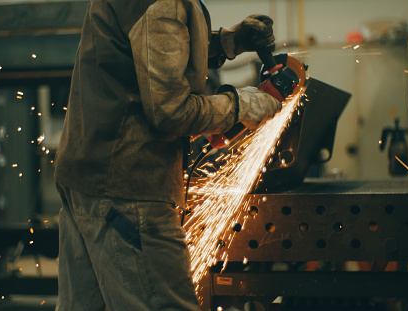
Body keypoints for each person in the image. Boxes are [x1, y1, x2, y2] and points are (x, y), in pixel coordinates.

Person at [53, 0, 281, 309]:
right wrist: (243, 105)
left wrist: (230, 42)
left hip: (85, 175)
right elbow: (171, 111)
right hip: (127, 190)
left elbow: (151, 51)